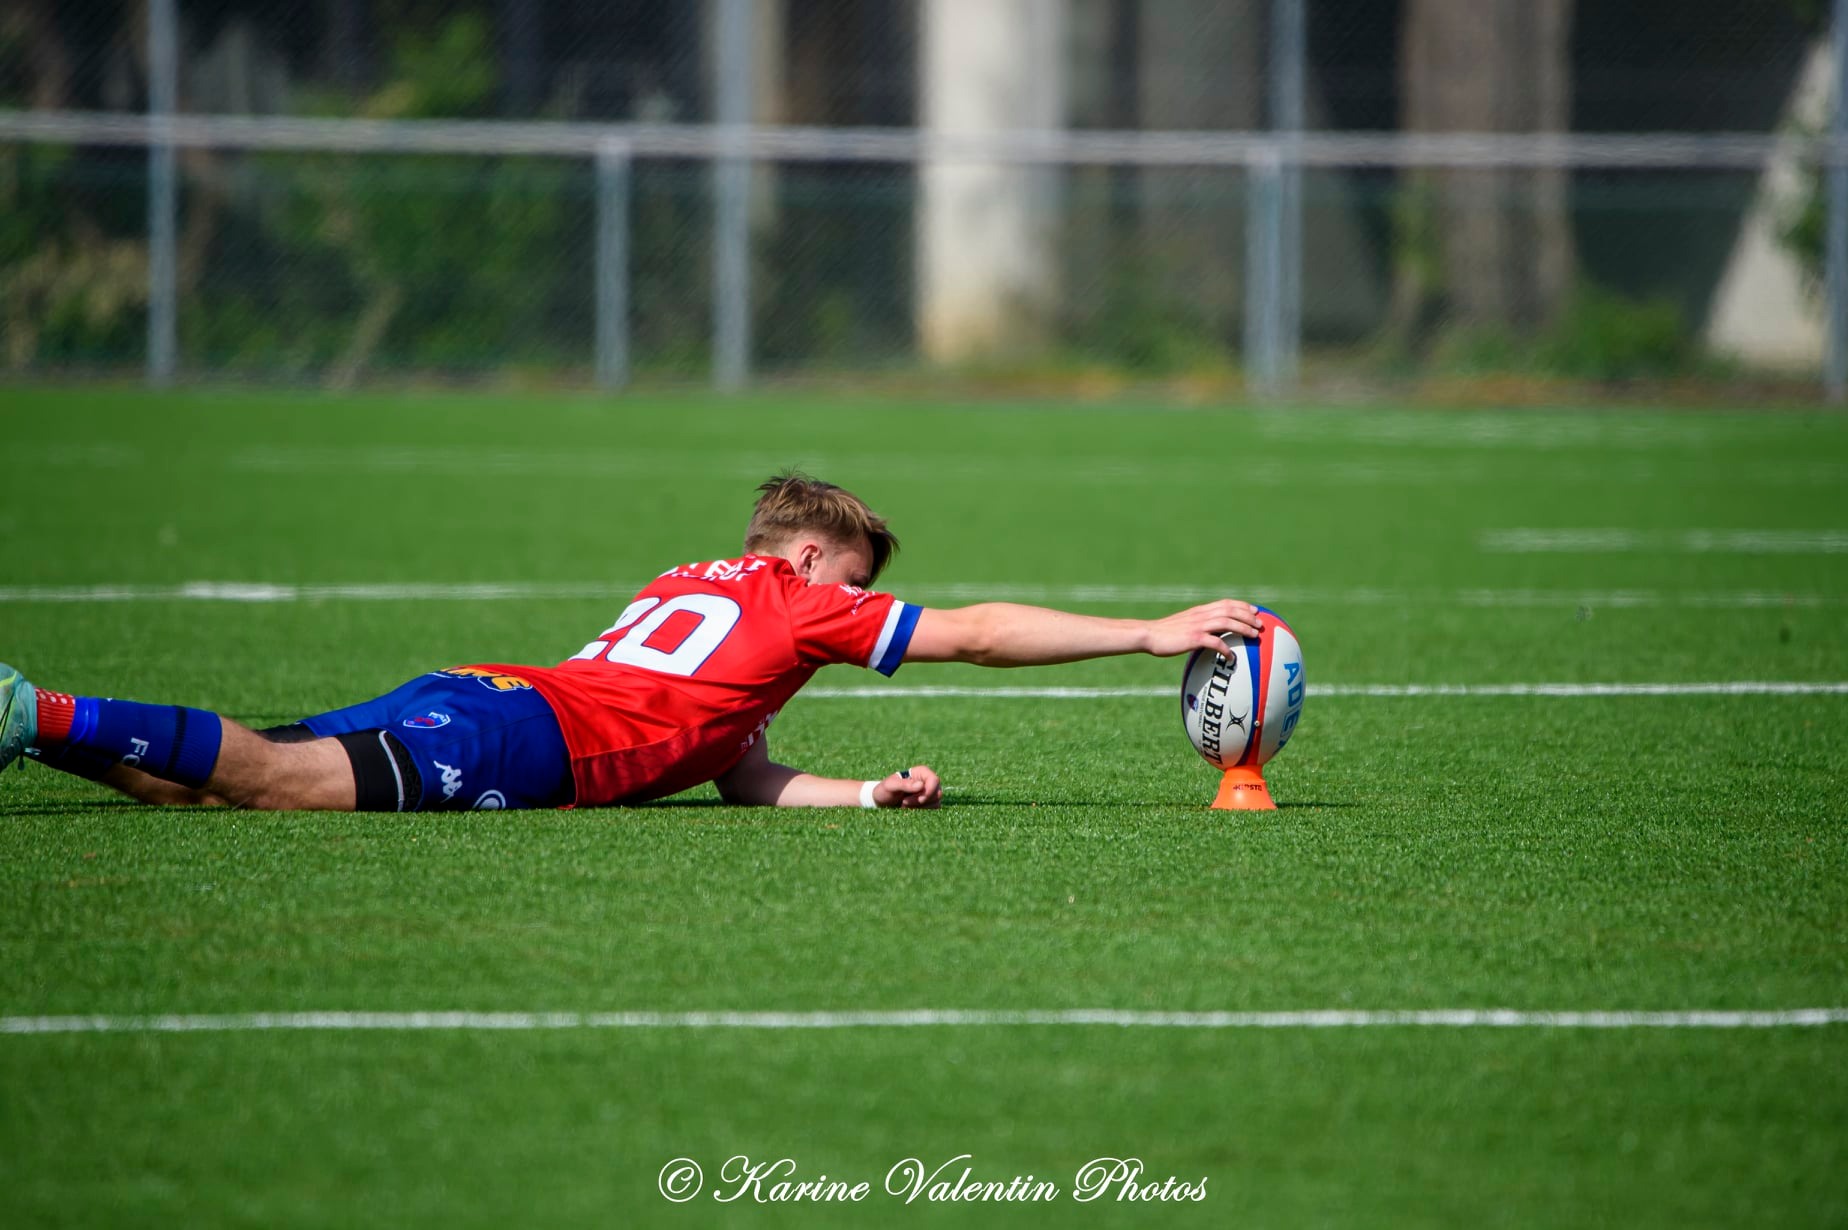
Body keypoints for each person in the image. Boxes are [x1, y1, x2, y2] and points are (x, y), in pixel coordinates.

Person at [0, 474, 1261, 813]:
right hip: (525, 734)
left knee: (195, 780)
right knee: (271, 786)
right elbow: (980, 634)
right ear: (810, 559)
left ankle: (30, 731)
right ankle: (30, 709)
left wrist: (871, 792)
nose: (860, 611)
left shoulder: (688, 584)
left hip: (486, 691)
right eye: (859, 584)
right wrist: (1151, 632)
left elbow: (734, 767)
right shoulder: (793, 600)